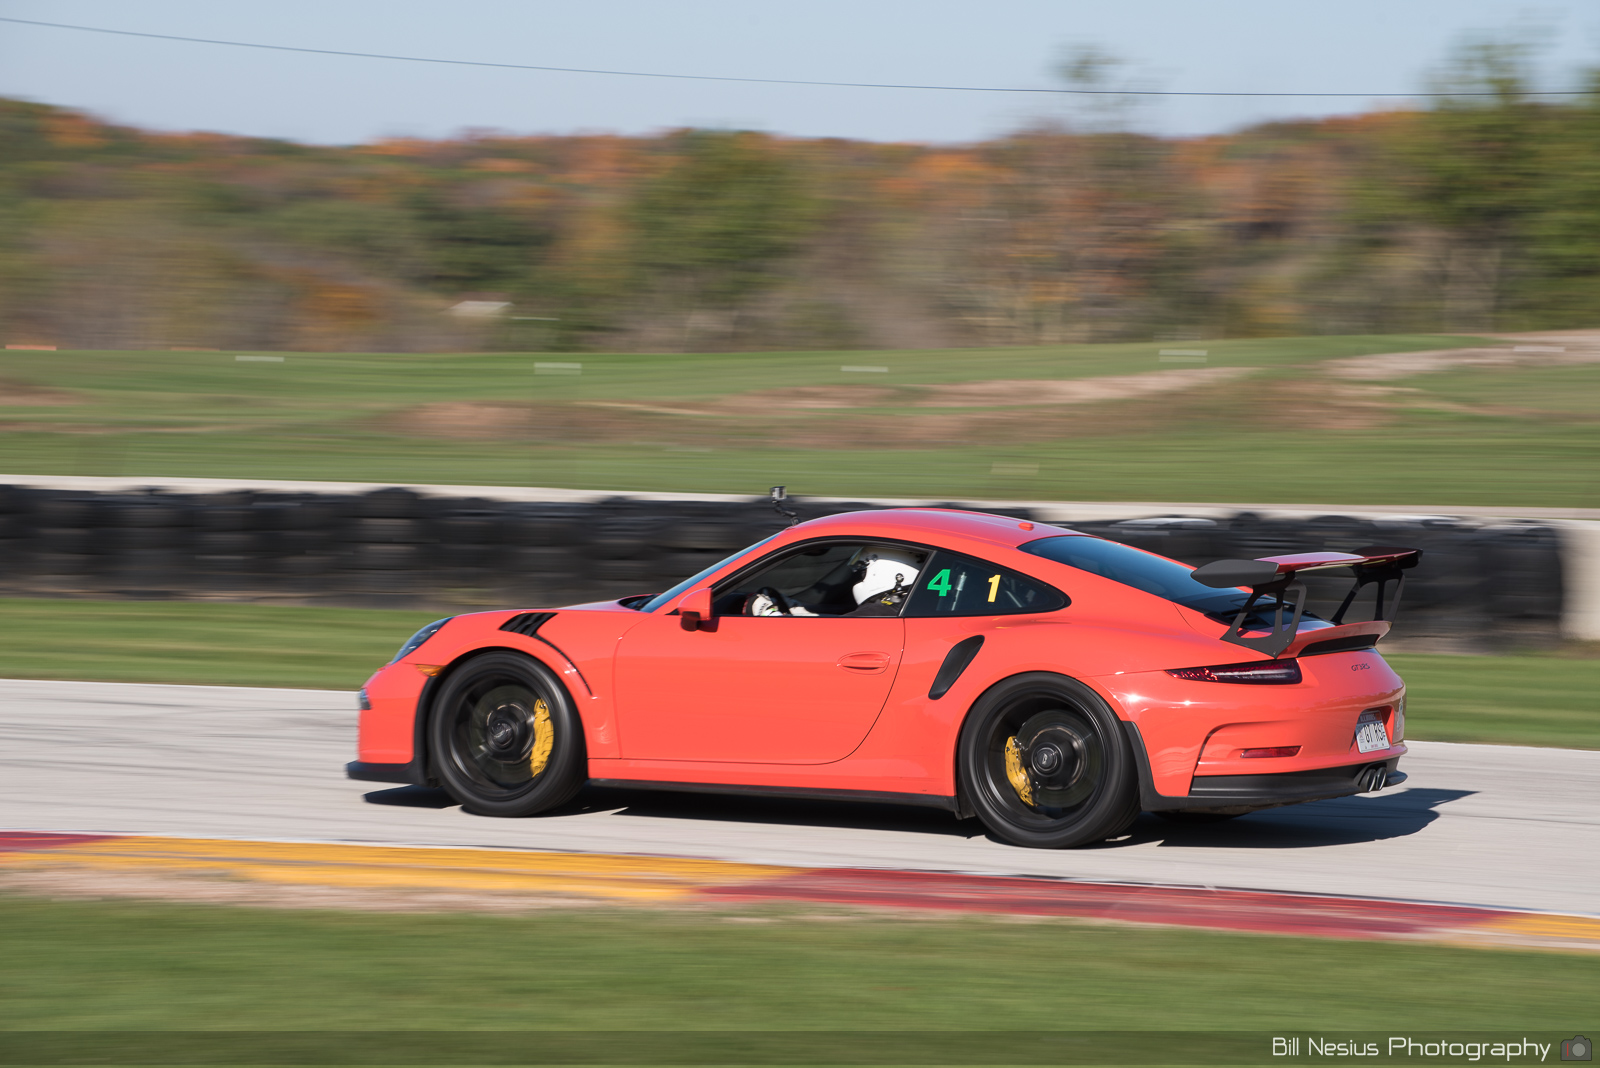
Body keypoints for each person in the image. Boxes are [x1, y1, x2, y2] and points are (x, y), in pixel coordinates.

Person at [747, 546, 922, 617]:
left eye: (863, 571)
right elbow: (842, 616)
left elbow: (819, 642)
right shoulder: (900, 607)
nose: (860, 577)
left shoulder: (876, 612)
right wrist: (799, 610)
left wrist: (769, 614)